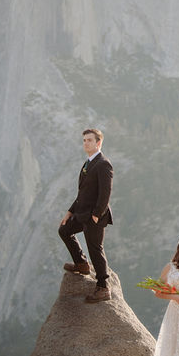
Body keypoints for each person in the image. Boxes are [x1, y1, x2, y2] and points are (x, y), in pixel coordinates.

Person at [59, 128, 115, 303]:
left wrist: (97, 215)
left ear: (98, 143)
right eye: (84, 140)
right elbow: (82, 193)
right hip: (81, 213)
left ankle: (103, 287)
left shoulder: (103, 163)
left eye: (89, 140)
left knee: (95, 248)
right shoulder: (88, 163)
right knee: (64, 230)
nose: (86, 143)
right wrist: (70, 211)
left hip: (94, 216)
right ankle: (82, 264)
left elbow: (105, 192)